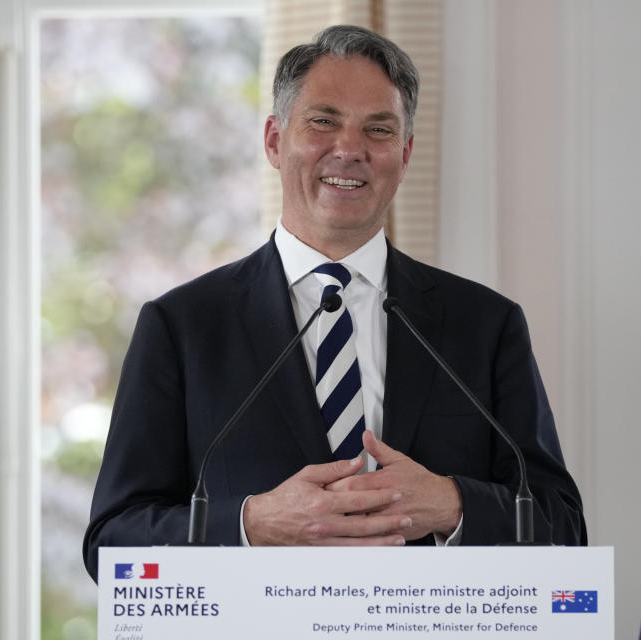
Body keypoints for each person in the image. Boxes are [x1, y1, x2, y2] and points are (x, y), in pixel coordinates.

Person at [83, 25, 585, 581]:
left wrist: (452, 505)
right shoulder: (181, 327)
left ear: (405, 153)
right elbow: (112, 543)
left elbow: (563, 528)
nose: (349, 149)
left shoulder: (486, 325)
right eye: (323, 122)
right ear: (274, 140)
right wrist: (251, 526)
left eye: (379, 129)